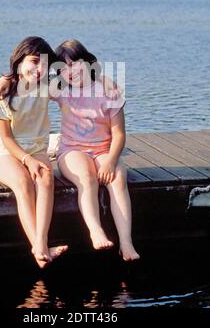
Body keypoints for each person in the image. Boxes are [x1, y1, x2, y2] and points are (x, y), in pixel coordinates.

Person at [52, 40, 140, 261]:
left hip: (103, 151)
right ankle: (95, 230)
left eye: (74, 64)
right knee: (86, 176)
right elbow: (28, 81)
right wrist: (5, 81)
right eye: (62, 68)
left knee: (118, 178)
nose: (69, 72)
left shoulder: (108, 92)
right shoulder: (60, 89)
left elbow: (119, 135)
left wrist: (110, 161)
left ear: (87, 62)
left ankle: (126, 242)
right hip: (72, 151)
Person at [0, 36, 68, 268]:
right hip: (6, 153)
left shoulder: (44, 87)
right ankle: (40, 248)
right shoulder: (2, 94)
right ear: (19, 60)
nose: (39, 68)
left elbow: (75, 82)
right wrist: (5, 78)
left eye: (45, 64)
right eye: (34, 61)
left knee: (45, 178)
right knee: (23, 182)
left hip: (37, 149)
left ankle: (40, 243)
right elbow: (7, 139)